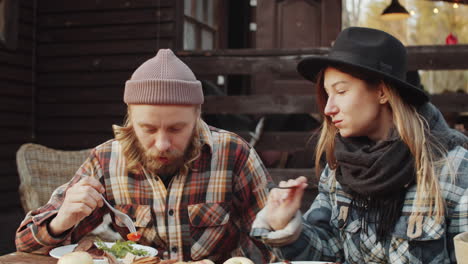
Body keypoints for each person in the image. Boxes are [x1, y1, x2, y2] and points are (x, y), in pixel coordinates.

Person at [15, 49, 274, 263]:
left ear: (197, 116)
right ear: (130, 118)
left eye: (176, 129)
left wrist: (284, 225)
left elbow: (274, 246)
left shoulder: (235, 154)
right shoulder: (105, 159)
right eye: (148, 129)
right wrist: (61, 221)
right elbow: (25, 242)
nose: (161, 144)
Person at [250, 27, 468, 263]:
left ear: (383, 92)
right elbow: (328, 248)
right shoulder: (340, 167)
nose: (328, 108)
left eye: (341, 91)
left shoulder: (453, 170)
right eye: (327, 94)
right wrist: (286, 225)